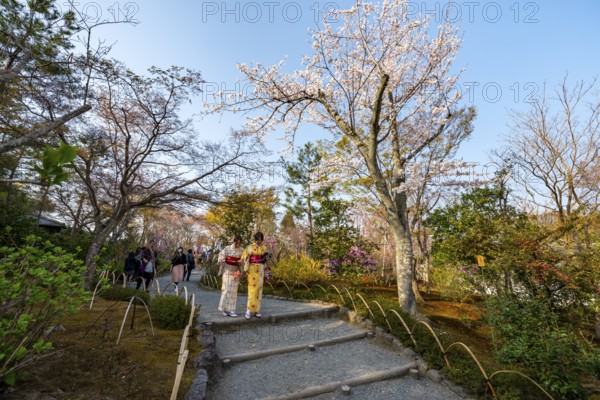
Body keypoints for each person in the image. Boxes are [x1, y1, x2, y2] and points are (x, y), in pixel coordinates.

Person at [241, 232, 269, 319]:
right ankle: (249, 309)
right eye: (258, 241)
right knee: (252, 289)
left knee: (259, 289)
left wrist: (266, 261)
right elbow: (243, 257)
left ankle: (257, 310)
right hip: (252, 269)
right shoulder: (250, 247)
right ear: (255, 239)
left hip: (260, 269)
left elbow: (266, 259)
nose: (259, 242)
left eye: (260, 241)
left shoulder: (264, 248)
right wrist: (247, 257)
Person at [217, 236, 244, 317]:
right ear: (234, 241)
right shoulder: (227, 248)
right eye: (237, 243)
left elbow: (244, 259)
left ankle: (232, 310)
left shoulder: (242, 250)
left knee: (233, 292)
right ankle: (224, 309)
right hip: (227, 270)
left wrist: (241, 261)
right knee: (225, 290)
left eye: (239, 243)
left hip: (235, 271)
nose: (238, 245)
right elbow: (221, 256)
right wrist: (221, 259)